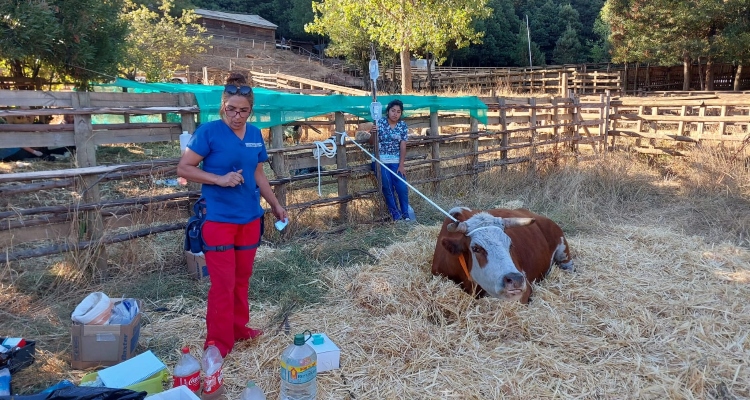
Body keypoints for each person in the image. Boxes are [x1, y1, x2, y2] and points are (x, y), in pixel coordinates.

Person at [177, 72, 288, 357]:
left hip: (249, 218)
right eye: (231, 109)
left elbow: (258, 172)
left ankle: (239, 329)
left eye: (243, 111)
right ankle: (217, 340)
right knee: (223, 284)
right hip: (219, 220)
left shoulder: (254, 134)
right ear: (222, 106)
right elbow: (184, 168)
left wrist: (274, 204)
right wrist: (219, 179)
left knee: (242, 279)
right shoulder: (208, 132)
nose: (237, 116)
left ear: (251, 111)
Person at [369, 99, 412, 222]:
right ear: (388, 111)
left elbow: (403, 145)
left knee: (402, 187)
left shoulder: (402, 126)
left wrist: (401, 165)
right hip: (379, 160)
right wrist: (373, 133)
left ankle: (406, 214)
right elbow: (372, 142)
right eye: (393, 110)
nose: (395, 114)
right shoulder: (379, 123)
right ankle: (395, 215)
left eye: (398, 112)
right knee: (387, 187)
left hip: (396, 161)